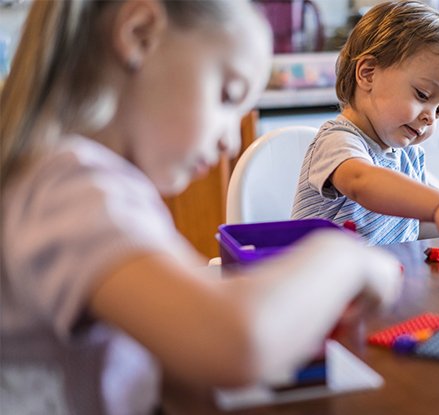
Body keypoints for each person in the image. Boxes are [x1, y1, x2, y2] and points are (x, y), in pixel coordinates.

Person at [0, 1, 403, 413]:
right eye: (228, 96)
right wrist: (343, 258)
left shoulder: (91, 186)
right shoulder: (66, 187)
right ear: (140, 35)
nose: (230, 139)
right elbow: (233, 340)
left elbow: (157, 361)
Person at [291, 0, 439, 261]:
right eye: (422, 95)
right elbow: (362, 182)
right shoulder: (337, 140)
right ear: (368, 74)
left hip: (384, 285)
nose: (429, 118)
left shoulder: (409, 157)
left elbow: (413, 224)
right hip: (322, 288)